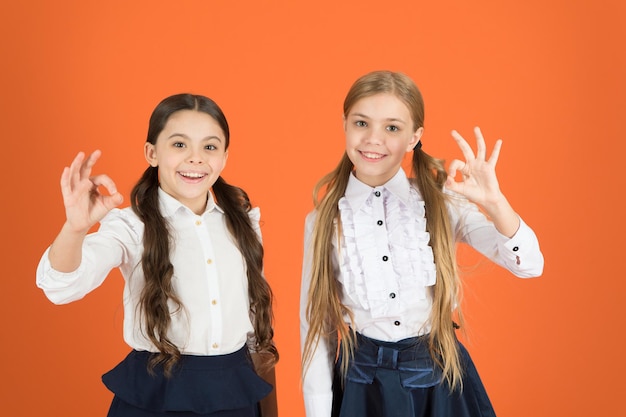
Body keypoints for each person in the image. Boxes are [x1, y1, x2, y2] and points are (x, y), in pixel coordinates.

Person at [300, 71, 544, 417]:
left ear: (415, 137)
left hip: (439, 383)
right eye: (361, 123)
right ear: (344, 124)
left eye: (392, 128)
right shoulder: (324, 220)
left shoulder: (441, 201)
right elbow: (315, 329)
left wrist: (495, 203)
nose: (373, 139)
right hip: (363, 388)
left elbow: (530, 265)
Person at [36, 94, 279, 417]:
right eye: (179, 145)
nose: (196, 159)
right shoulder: (130, 226)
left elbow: (252, 324)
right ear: (152, 153)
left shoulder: (243, 223)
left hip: (234, 392)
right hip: (155, 394)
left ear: (224, 157)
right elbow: (61, 286)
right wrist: (75, 228)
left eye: (210, 147)